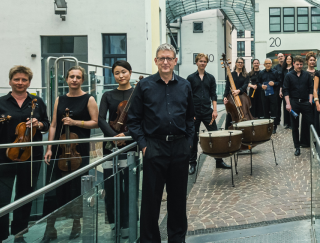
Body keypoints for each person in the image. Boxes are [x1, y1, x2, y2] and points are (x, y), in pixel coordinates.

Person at [126, 43, 195, 242]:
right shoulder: (144, 85)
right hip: (154, 147)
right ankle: (149, 240)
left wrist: (189, 143)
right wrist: (144, 145)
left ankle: (177, 238)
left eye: (169, 58)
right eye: (161, 58)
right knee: (150, 200)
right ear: (156, 61)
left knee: (178, 199)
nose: (165, 62)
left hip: (180, 147)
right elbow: (133, 119)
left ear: (175, 61)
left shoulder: (185, 85)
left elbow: (190, 118)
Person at [0, 65, 50, 243]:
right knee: (0, 198)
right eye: (17, 79)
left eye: (24, 80)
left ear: (29, 82)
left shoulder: (37, 102)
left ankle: (19, 234)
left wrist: (39, 124)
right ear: (10, 80)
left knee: (25, 196)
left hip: (31, 156)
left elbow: (46, 124)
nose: (20, 83)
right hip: (2, 157)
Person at [42, 66, 99, 242]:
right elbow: (53, 124)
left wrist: (75, 122)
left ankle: (76, 223)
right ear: (66, 79)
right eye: (71, 77)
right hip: (59, 150)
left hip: (78, 151)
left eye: (78, 77)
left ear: (82, 80)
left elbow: (96, 123)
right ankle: (49, 227)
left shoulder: (89, 99)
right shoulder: (60, 99)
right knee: (52, 188)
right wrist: (50, 147)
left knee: (76, 188)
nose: (74, 80)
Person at [97, 61, 140, 237]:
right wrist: (113, 136)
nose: (121, 76)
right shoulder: (108, 95)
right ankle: (115, 222)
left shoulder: (137, 93)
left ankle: (129, 222)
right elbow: (101, 119)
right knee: (111, 185)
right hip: (111, 144)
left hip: (130, 142)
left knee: (131, 185)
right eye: (117, 73)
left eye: (124, 72)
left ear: (130, 72)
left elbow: (142, 118)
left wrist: (128, 134)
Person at [186, 54, 231, 173]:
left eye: (205, 61)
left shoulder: (210, 78)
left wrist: (215, 110)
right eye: (200, 61)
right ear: (196, 62)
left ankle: (219, 161)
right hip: (195, 112)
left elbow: (213, 95)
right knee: (193, 138)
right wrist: (191, 113)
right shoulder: (190, 78)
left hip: (207, 111)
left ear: (206, 63)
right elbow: (188, 97)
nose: (202, 63)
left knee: (215, 136)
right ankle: (192, 164)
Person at [284, 56, 314, 156]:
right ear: (293, 64)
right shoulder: (288, 75)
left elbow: (311, 88)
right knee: (295, 126)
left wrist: (310, 100)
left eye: (301, 64)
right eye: (297, 64)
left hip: (305, 102)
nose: (299, 66)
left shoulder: (307, 75)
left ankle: (312, 144)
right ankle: (297, 147)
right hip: (294, 103)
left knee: (310, 124)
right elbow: (286, 90)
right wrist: (288, 104)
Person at [224, 57, 250, 130]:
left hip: (243, 97)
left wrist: (239, 90)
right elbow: (227, 87)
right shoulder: (231, 74)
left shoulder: (246, 75)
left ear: (243, 64)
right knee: (231, 114)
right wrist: (225, 96)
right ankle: (229, 132)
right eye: (239, 62)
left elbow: (245, 85)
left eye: (242, 62)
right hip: (232, 98)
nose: (240, 64)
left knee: (245, 112)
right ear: (235, 63)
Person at [282, 54, 294, 128]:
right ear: (285, 60)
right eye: (287, 59)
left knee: (292, 105)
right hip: (285, 89)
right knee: (285, 106)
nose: (288, 60)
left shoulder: (294, 69)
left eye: (290, 59)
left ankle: (292, 123)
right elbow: (281, 81)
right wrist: (280, 91)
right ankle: (287, 123)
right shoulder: (283, 69)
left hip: (292, 89)